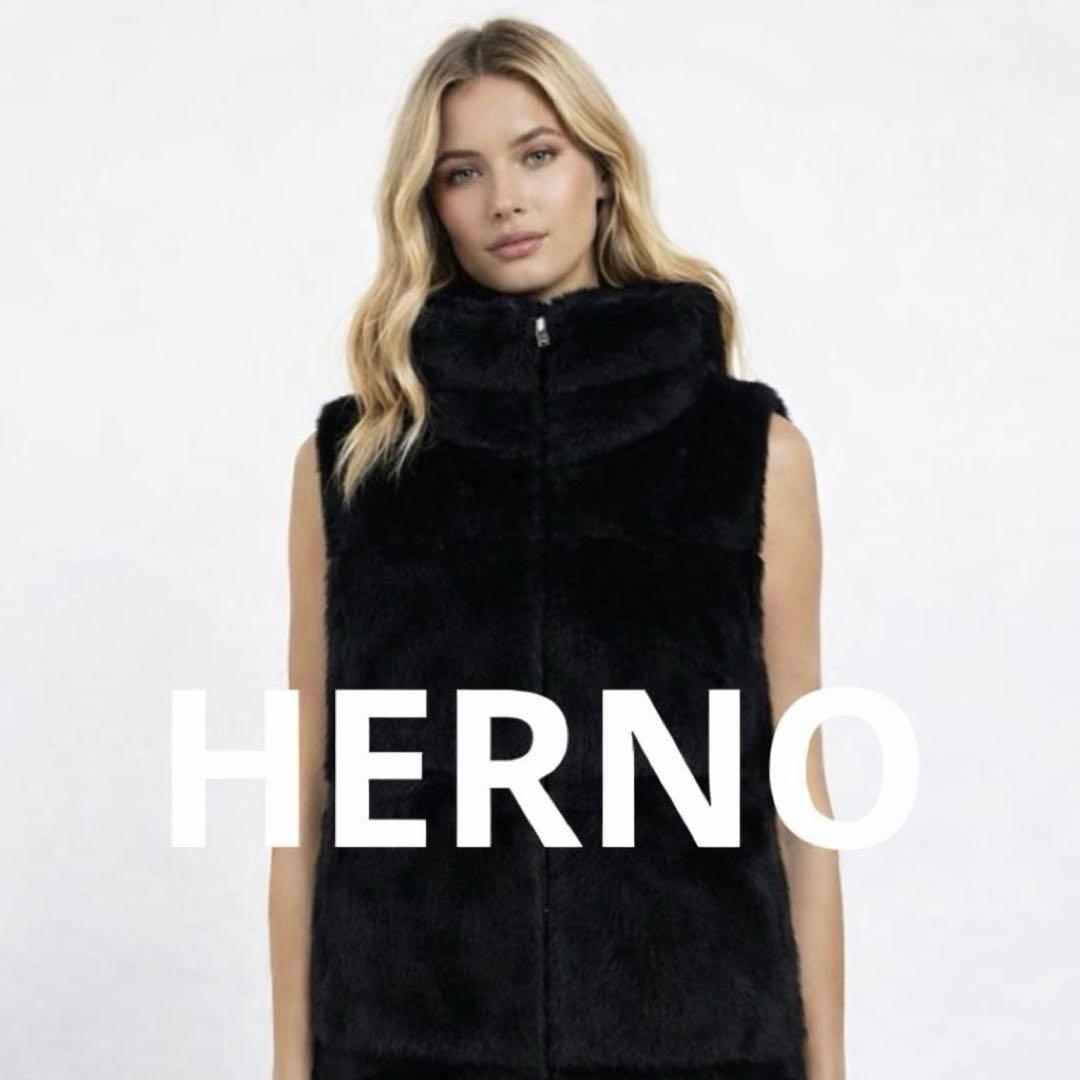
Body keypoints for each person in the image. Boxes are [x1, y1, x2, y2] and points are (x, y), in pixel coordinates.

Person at [270, 16, 845, 1080]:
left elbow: (803, 809)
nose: (506, 199)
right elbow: (301, 802)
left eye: (537, 154)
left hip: (698, 1052)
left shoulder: (747, 454)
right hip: (410, 1050)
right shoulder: (350, 467)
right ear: (429, 206)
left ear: (602, 172)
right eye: (463, 173)